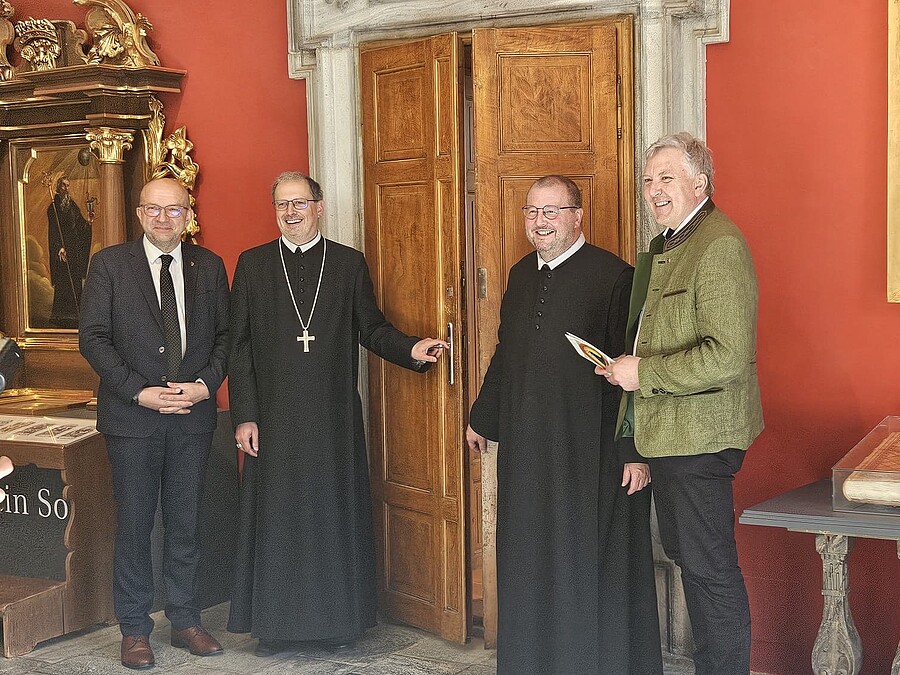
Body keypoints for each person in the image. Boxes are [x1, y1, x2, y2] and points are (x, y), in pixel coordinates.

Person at [226, 171, 448, 656]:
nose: (290, 212)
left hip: (332, 420)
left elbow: (371, 328)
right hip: (275, 421)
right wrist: (244, 415)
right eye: (282, 204)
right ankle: (277, 628)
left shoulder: (347, 264)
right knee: (279, 520)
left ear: (319, 206)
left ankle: (339, 623)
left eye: (299, 203)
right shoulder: (254, 265)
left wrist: (412, 347)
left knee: (331, 517)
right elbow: (238, 348)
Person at [465, 175, 662, 675]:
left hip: (589, 452)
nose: (539, 222)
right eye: (532, 212)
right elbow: (507, 352)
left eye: (551, 212)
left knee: (585, 558)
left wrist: (634, 451)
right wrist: (482, 417)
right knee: (530, 556)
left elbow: (632, 368)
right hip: (528, 446)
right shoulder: (519, 274)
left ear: (578, 216)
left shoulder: (615, 276)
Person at [602, 133, 763, 675]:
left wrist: (641, 372)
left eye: (666, 178)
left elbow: (727, 357)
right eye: (648, 180)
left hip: (702, 438)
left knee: (709, 571)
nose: (653, 190)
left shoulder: (718, 244)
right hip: (670, 436)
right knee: (693, 565)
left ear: (701, 183)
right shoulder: (667, 245)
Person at [79, 177, 229, 670]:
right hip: (132, 419)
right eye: (155, 210)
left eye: (175, 210)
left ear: (189, 214)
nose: (165, 219)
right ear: (140, 214)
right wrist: (139, 392)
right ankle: (135, 629)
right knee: (136, 526)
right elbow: (94, 338)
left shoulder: (208, 266)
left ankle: (185, 620)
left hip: (193, 416)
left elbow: (227, 337)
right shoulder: (109, 264)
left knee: (186, 524)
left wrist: (205, 386)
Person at [48, 176, 93, 328]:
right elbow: (54, 231)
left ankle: (76, 315)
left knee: (74, 281)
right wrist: (59, 247)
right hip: (63, 252)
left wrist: (89, 222)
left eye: (68, 186)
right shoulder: (53, 208)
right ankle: (60, 316)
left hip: (74, 251)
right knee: (63, 283)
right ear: (58, 187)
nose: (66, 189)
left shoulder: (72, 205)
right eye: (63, 186)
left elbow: (80, 226)